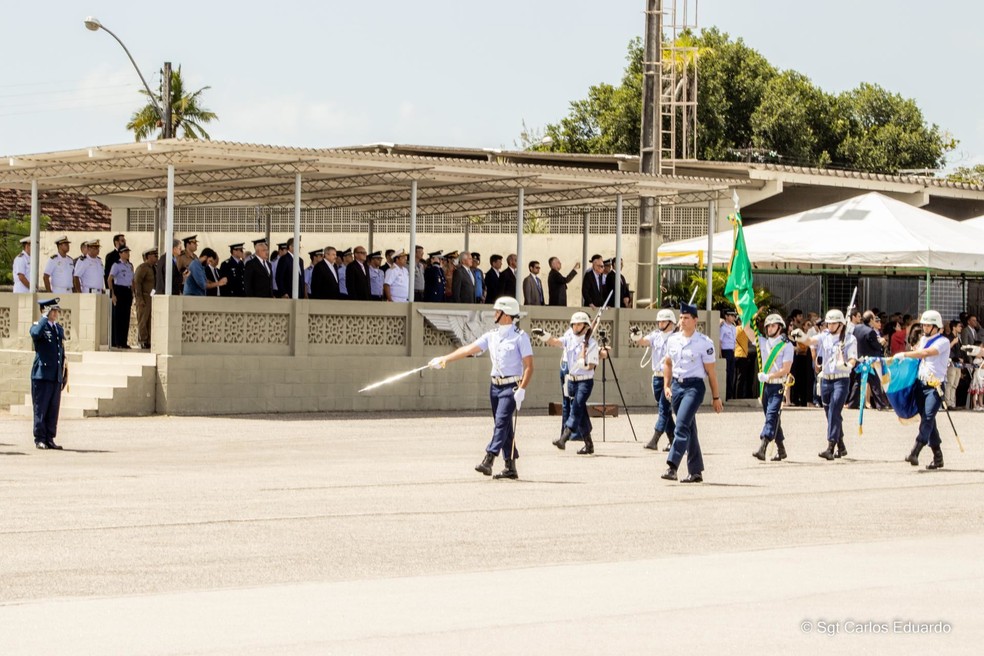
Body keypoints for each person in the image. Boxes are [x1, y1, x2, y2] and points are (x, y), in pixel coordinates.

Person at [428, 297, 534, 480]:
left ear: (506, 314)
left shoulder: (520, 337)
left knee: (501, 422)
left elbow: (529, 366)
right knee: (504, 426)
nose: (494, 314)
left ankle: (489, 459)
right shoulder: (491, 335)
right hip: (495, 387)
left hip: (511, 386)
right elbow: (469, 349)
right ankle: (510, 466)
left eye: (497, 311)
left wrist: (522, 389)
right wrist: (444, 359)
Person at [660, 302, 724, 483]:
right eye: (681, 317)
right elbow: (668, 364)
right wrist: (666, 385)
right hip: (677, 387)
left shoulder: (704, 343)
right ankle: (695, 471)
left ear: (695, 320)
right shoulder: (673, 340)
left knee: (680, 425)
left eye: (686, 318)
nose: (682, 321)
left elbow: (711, 372)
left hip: (694, 387)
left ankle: (672, 466)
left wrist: (716, 397)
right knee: (689, 428)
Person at [536, 312, 601, 455]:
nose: (575, 326)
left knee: (576, 406)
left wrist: (583, 363)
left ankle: (565, 437)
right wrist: (544, 336)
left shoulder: (592, 343)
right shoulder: (569, 338)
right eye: (574, 324)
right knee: (581, 411)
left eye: (579, 324)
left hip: (584, 382)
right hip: (571, 381)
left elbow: (591, 365)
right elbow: (557, 342)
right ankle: (589, 444)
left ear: (585, 326)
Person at [797, 309, 857, 460]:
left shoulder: (850, 339)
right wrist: (799, 335)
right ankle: (841, 445)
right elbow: (810, 341)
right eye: (828, 323)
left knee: (834, 411)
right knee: (829, 413)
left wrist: (847, 366)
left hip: (841, 379)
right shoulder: (824, 336)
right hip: (826, 379)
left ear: (841, 324)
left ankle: (830, 447)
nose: (829, 326)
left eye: (833, 323)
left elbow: (853, 359)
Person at [898, 310, 951, 470]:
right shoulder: (922, 339)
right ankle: (938, 456)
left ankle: (916, 450)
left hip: (934, 387)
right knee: (929, 422)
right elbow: (919, 354)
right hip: (921, 385)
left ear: (936, 326)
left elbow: (927, 353)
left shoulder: (943, 341)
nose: (925, 327)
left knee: (927, 418)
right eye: (924, 325)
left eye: (928, 325)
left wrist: (906, 354)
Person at [743, 314, 794, 462]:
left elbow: (786, 369)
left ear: (780, 327)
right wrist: (748, 311)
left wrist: (769, 376)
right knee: (771, 417)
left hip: (778, 384)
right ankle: (782, 449)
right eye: (768, 326)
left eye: (773, 325)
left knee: (771, 415)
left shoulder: (786, 345)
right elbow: (746, 329)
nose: (770, 328)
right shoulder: (762, 342)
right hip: (766, 387)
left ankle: (763, 446)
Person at [630, 308, 677, 451]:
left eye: (663, 321)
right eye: (659, 321)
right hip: (656, 377)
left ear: (670, 322)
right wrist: (636, 335)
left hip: (669, 377)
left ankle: (654, 439)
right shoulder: (656, 335)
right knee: (666, 410)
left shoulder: (676, 338)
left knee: (663, 408)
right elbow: (644, 342)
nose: (660, 323)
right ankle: (674, 440)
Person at [29, 298, 67, 450]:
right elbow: (35, 334)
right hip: (42, 374)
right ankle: (40, 438)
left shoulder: (58, 329)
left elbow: (61, 352)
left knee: (53, 408)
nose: (56, 313)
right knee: (41, 408)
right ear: (46, 311)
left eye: (56, 310)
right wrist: (44, 317)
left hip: (54, 375)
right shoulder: (39, 326)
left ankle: (50, 437)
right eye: (53, 310)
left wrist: (63, 374)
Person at [108, 246, 134, 348]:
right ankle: (117, 341)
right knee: (118, 317)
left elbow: (132, 280)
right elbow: (110, 279)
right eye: (125, 252)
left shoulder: (130, 266)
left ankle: (124, 341)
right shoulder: (116, 265)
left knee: (126, 317)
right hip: (119, 290)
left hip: (127, 291)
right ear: (120, 253)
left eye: (128, 252)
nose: (127, 254)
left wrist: (133, 293)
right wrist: (113, 294)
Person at [133, 248, 157, 350]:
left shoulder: (154, 268)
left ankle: (149, 340)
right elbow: (137, 283)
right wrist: (139, 298)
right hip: (144, 296)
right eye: (154, 255)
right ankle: (142, 340)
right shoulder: (143, 268)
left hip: (153, 297)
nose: (156, 257)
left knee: (151, 320)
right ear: (148, 257)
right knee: (143, 319)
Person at [719, 309, 738, 401]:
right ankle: (726, 395)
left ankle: (730, 395)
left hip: (732, 352)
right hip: (725, 351)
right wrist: (720, 354)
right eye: (731, 315)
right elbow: (720, 341)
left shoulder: (734, 327)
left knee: (731, 374)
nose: (733, 317)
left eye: (734, 316)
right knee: (726, 374)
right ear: (726, 316)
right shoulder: (723, 328)